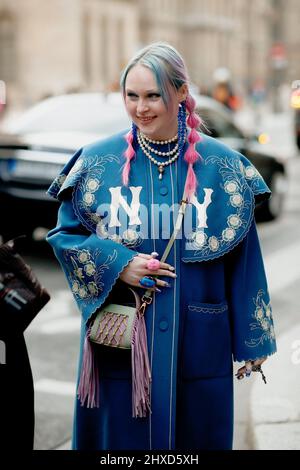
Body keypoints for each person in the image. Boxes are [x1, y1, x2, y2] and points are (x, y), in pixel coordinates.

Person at [46, 42, 276, 450]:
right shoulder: (97, 163)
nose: (141, 108)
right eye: (131, 96)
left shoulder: (224, 168)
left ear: (182, 93)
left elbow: (244, 259)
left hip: (200, 343)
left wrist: (253, 339)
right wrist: (119, 263)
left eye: (153, 95)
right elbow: (66, 238)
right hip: (121, 345)